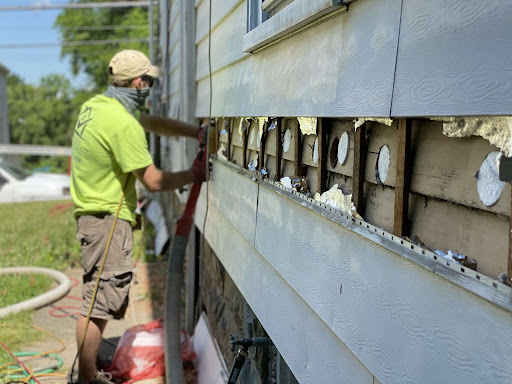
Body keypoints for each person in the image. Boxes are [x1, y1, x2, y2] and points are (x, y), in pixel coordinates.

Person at [70, 49, 205, 384]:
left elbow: (152, 122)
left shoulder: (98, 107)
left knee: (95, 301)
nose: (151, 87)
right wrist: (193, 174)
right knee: (98, 306)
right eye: (149, 81)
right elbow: (154, 181)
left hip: (92, 217)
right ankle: (87, 379)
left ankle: (87, 375)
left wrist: (195, 132)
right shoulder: (122, 124)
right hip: (106, 223)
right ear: (139, 81)